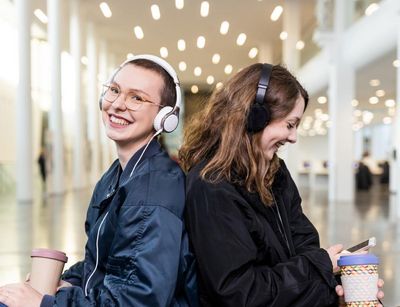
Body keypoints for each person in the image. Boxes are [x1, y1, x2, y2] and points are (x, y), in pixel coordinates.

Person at [179, 63, 384, 306]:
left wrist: (336, 287)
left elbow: (303, 246)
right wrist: (320, 265)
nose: (294, 137)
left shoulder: (276, 172)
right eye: (289, 124)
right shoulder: (210, 186)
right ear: (255, 117)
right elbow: (241, 294)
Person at [0, 55, 197, 306]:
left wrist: (44, 304)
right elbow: (100, 264)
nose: (117, 104)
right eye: (114, 91)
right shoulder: (118, 175)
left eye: (136, 97)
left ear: (164, 118)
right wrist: (67, 282)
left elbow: (136, 300)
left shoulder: (152, 191)